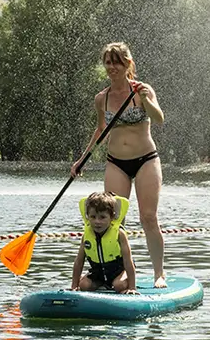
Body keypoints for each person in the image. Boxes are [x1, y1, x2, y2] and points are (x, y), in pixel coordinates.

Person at [78, 42, 168, 286]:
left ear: (128, 63)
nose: (112, 67)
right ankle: (118, 273)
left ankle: (159, 273)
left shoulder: (143, 90)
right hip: (116, 162)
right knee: (114, 220)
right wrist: (82, 160)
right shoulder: (102, 98)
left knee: (148, 217)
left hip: (146, 160)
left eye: (117, 61)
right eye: (108, 62)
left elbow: (159, 119)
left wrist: (145, 100)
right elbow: (100, 131)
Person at [70, 189, 136, 294]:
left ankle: (124, 282)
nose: (97, 221)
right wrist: (74, 286)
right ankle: (97, 283)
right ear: (87, 216)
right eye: (93, 217)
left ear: (112, 217)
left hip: (119, 270)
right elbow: (79, 261)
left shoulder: (119, 234)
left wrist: (132, 287)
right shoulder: (86, 236)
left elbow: (128, 261)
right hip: (98, 272)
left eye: (102, 217)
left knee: (119, 285)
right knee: (84, 285)